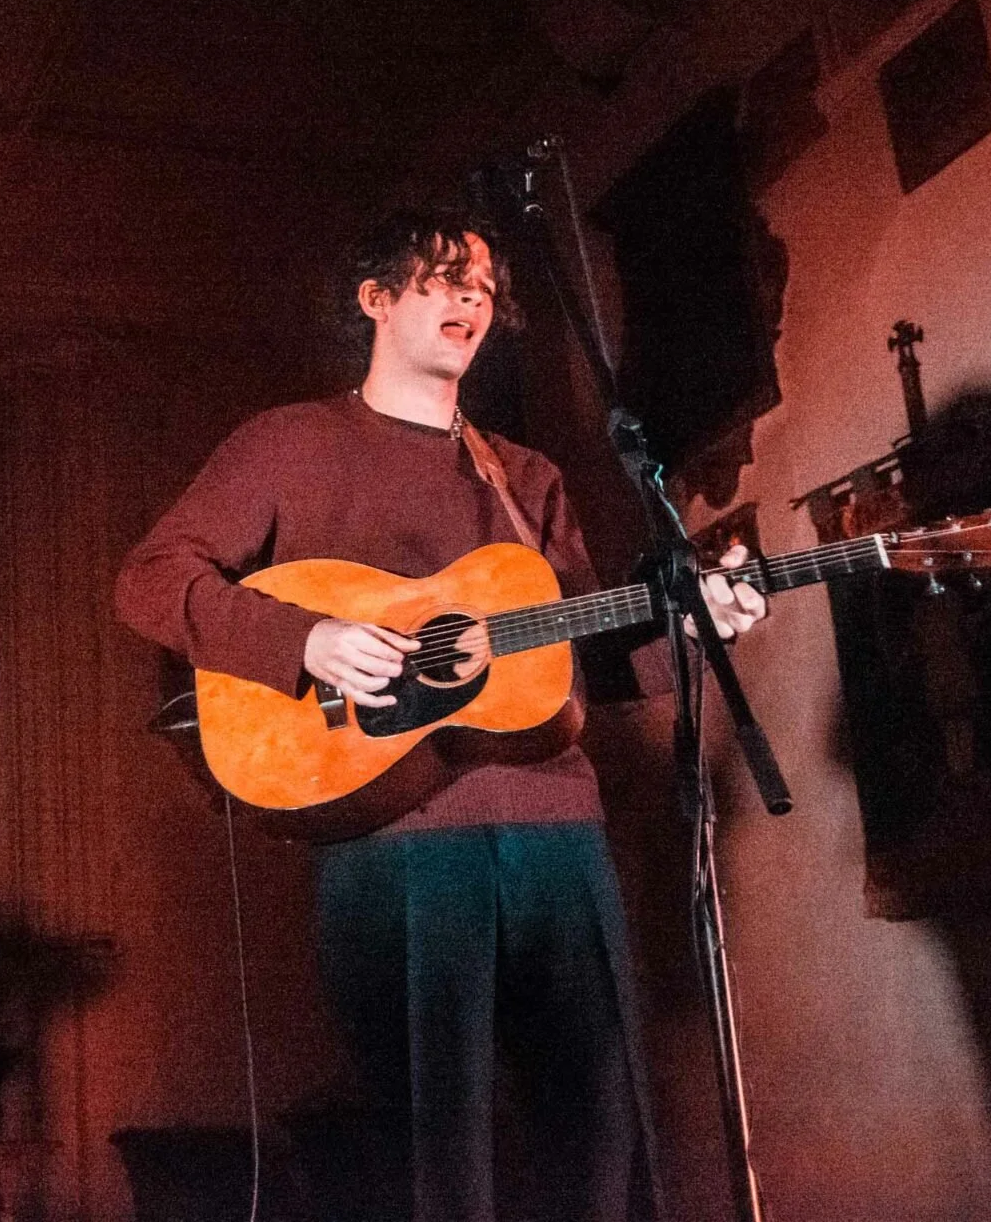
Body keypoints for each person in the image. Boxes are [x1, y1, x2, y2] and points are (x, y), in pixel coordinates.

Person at [113, 210, 768, 1222]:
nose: (470, 296)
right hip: (395, 841)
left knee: (600, 1138)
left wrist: (689, 630)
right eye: (442, 277)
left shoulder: (525, 475)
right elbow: (150, 579)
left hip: (558, 830)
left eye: (484, 285)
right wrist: (304, 640)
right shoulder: (289, 443)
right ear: (375, 299)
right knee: (432, 1152)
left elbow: (579, 660)